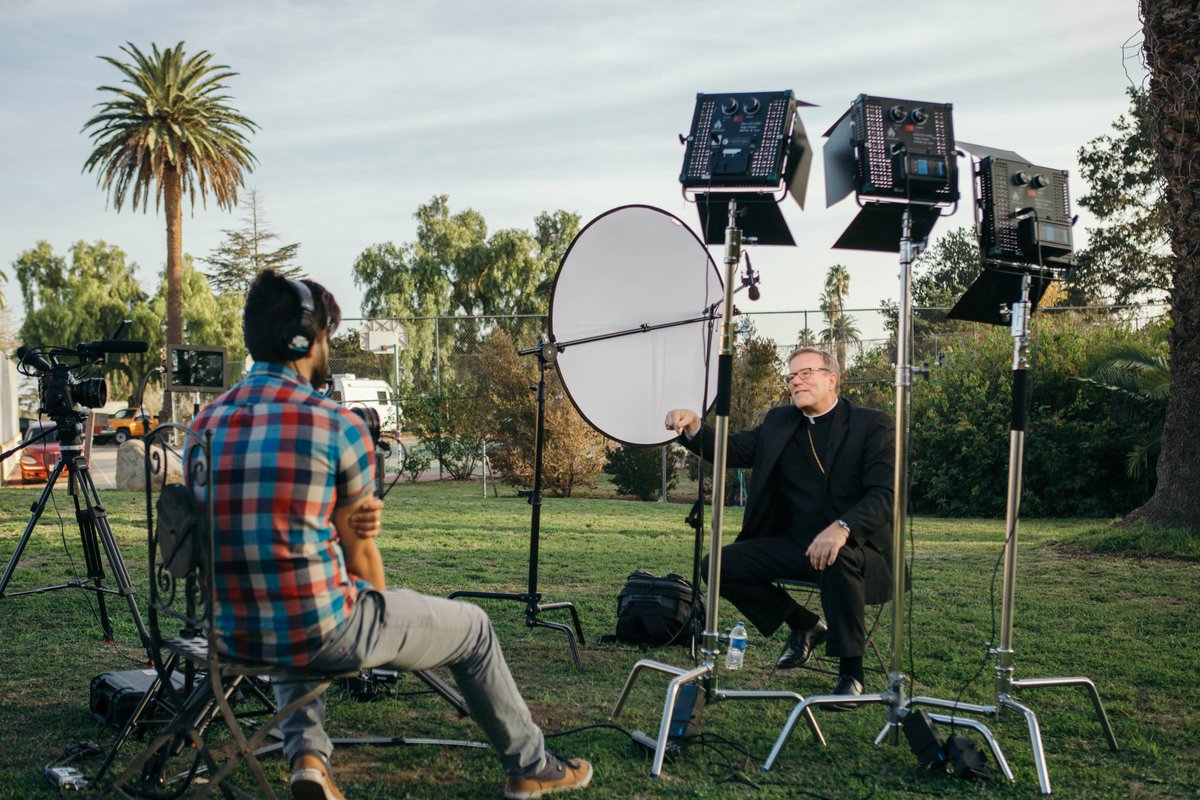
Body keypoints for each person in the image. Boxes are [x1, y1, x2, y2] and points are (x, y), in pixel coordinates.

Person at [190, 270, 592, 800]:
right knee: (471, 629)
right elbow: (362, 561)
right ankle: (531, 766)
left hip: (229, 633)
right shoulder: (336, 426)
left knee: (293, 605)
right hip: (320, 630)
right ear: (305, 339)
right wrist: (376, 599)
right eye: (327, 335)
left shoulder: (205, 423)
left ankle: (308, 759)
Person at [664, 347, 893, 706]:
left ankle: (852, 673)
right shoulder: (779, 422)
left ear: (832, 379)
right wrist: (694, 426)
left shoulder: (871, 424)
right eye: (791, 376)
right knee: (718, 565)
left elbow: (885, 493)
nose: (796, 381)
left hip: (858, 548)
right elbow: (732, 450)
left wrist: (842, 527)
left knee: (837, 555)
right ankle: (804, 623)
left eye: (806, 373)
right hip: (793, 545)